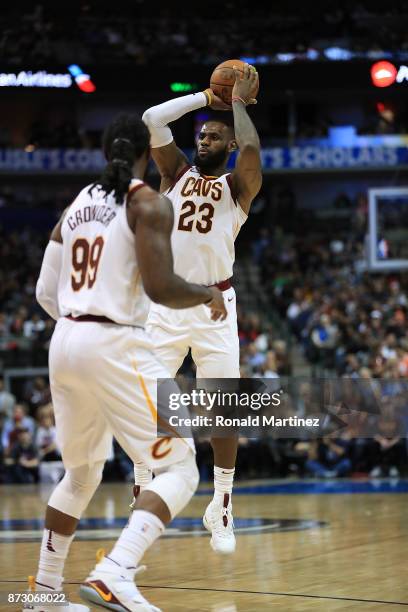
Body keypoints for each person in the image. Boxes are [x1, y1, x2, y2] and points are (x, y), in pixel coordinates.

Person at [29, 113, 227, 612]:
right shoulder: (148, 202)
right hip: (112, 341)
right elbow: (162, 287)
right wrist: (207, 293)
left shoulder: (75, 206)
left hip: (65, 339)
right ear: (146, 153)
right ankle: (115, 572)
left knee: (79, 475)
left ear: (104, 152)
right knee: (181, 467)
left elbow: (43, 292)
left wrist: (78, 321)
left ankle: (45, 594)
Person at [132, 63, 262, 554]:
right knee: (146, 399)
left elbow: (250, 151)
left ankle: (222, 502)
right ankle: (142, 483)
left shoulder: (239, 187)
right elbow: (151, 118)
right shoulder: (175, 172)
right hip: (166, 302)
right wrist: (207, 96)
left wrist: (238, 107)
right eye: (202, 136)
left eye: (214, 137)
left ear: (227, 148)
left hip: (215, 304)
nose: (204, 140)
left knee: (223, 409)